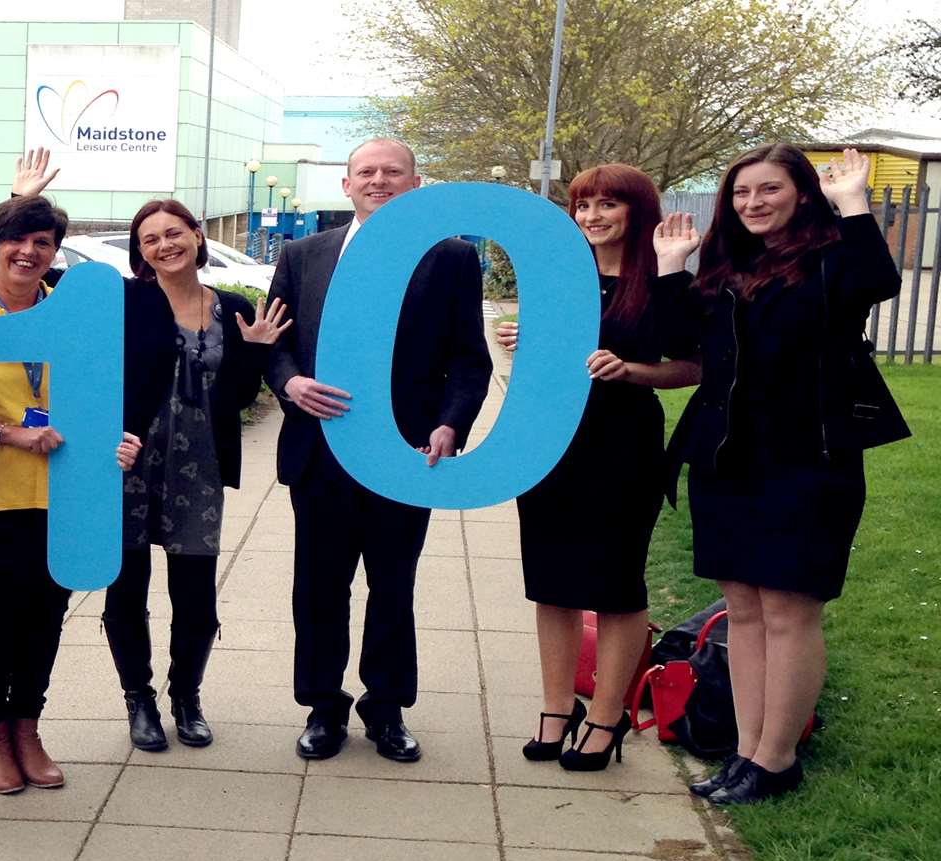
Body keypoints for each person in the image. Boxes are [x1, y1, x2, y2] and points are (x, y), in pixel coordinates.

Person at [663, 145, 899, 805]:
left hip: (806, 460)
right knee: (742, 610)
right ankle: (744, 752)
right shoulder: (726, 263)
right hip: (726, 459)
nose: (753, 203)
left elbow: (876, 282)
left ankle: (777, 758)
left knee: (789, 611)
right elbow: (681, 339)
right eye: (741, 193)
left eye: (768, 190)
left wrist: (854, 202)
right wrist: (667, 271)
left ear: (800, 193)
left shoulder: (830, 259)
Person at [267, 137, 493, 764]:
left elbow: (468, 360)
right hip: (321, 453)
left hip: (406, 453)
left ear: (415, 184)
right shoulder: (303, 254)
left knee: (393, 587)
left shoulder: (450, 259)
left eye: (393, 172)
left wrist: (452, 425)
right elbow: (274, 345)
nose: (379, 180)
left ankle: (387, 709)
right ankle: (321, 707)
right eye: (366, 172)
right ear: (346, 185)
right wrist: (288, 381)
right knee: (318, 588)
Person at [0, 182, 140, 795]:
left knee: (46, 616)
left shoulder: (82, 315)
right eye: (16, 239)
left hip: (70, 493)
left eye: (42, 242)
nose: (28, 252)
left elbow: (101, 397)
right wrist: (5, 434)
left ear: (56, 253)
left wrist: (116, 442)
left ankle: (28, 728)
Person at [494, 164, 701, 770]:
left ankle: (607, 718)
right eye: (582, 206)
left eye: (606, 205)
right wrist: (522, 341)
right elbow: (554, 358)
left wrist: (632, 370)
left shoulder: (663, 278)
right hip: (551, 440)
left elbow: (692, 365)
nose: (590, 218)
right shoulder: (562, 273)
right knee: (551, 583)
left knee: (615, 585)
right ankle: (557, 710)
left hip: (622, 443)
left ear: (636, 210)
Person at [106, 198, 289, 750]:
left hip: (199, 463)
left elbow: (233, 398)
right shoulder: (126, 301)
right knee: (125, 589)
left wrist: (254, 352)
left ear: (196, 236)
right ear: (141, 254)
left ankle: (186, 696)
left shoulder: (230, 306)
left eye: (174, 232)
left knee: (196, 596)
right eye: (150, 239)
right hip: (130, 461)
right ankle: (138, 699)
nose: (165, 245)